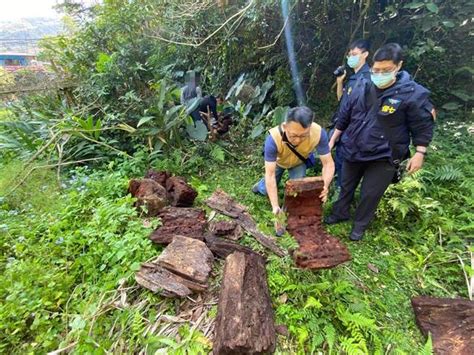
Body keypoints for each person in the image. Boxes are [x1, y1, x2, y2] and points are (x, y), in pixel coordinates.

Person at [325, 43, 435, 241]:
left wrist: (420, 152)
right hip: (354, 146)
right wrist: (334, 137)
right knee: (345, 185)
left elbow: (423, 125)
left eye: (386, 70)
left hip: (384, 154)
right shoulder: (361, 84)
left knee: (370, 193)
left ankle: (359, 226)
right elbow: (345, 113)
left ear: (398, 66)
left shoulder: (413, 93)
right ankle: (339, 213)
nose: (379, 74)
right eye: (376, 70)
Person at [252, 106, 335, 234]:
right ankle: (260, 187)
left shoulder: (318, 133)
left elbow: (328, 164)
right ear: (285, 126)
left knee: (297, 190)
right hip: (279, 162)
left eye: (303, 136)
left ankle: (285, 214)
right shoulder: (273, 138)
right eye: (293, 135)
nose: (297, 140)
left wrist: (325, 186)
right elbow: (270, 174)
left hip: (298, 162)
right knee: (265, 189)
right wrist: (275, 206)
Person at [330, 39, 371, 188]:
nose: (350, 57)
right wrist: (340, 81)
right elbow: (342, 100)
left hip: (351, 132)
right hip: (342, 128)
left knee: (345, 168)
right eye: (349, 54)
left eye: (354, 54)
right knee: (339, 164)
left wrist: (336, 136)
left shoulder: (367, 79)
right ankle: (339, 193)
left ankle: (341, 198)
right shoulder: (354, 78)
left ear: (365, 54)